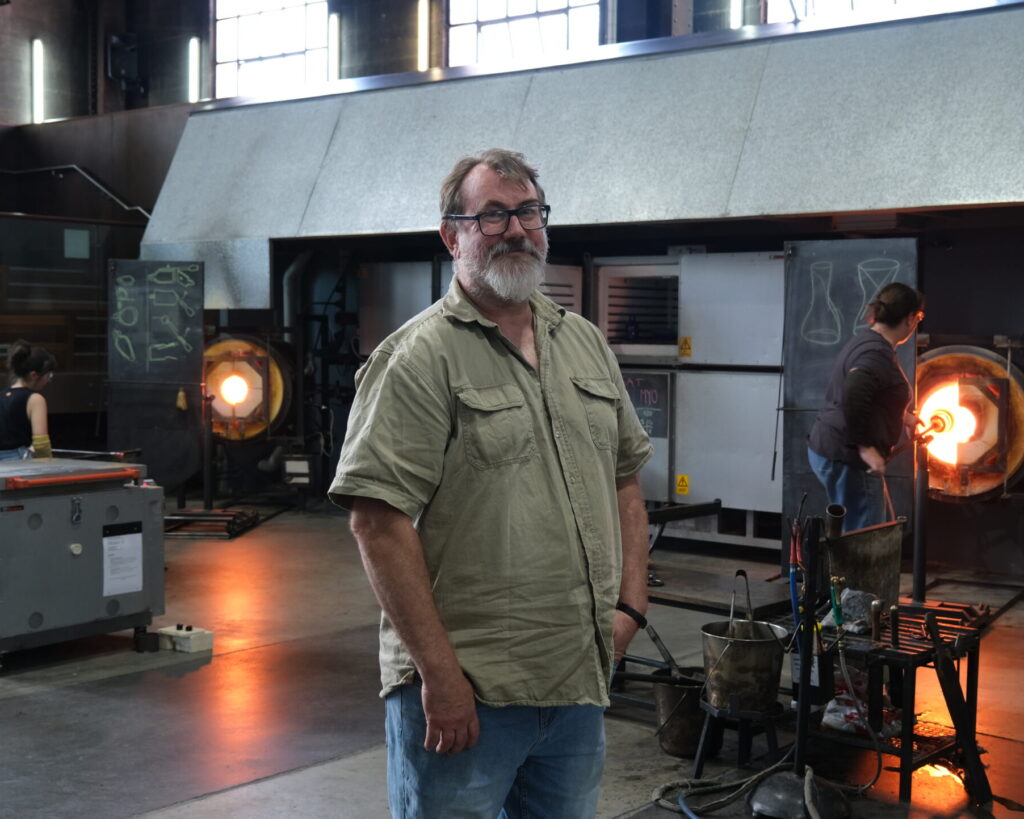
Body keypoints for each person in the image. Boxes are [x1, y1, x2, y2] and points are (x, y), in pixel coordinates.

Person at [328, 148, 653, 818]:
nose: (515, 228)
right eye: (493, 215)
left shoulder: (584, 343)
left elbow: (625, 481)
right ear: (452, 234)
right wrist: (440, 676)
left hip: (575, 682)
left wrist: (630, 610)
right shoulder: (418, 359)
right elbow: (376, 521)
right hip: (470, 692)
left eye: (528, 210)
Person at [807, 282, 924, 531]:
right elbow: (855, 390)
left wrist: (902, 416)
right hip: (848, 457)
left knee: (872, 529)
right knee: (865, 537)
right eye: (919, 317)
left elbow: (875, 392)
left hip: (832, 447)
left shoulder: (870, 341)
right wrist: (865, 448)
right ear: (911, 318)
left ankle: (850, 570)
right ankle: (850, 572)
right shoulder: (875, 353)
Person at [0, 340, 57, 461]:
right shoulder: (35, 399)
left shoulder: (1, 395)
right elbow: (41, 444)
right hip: (20, 461)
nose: (49, 380)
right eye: (49, 375)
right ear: (34, 375)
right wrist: (48, 467)